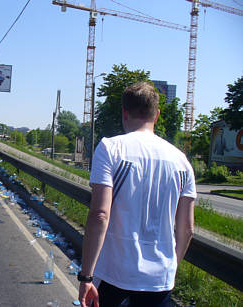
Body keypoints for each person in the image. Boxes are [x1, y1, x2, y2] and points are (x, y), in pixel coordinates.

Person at [78, 82, 196, 307]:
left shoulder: (111, 148)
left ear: (124, 112)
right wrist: (170, 269)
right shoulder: (182, 161)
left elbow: (100, 215)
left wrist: (86, 276)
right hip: (159, 280)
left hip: (114, 273)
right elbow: (187, 229)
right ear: (157, 115)